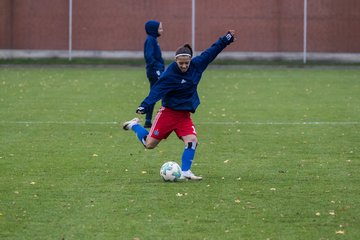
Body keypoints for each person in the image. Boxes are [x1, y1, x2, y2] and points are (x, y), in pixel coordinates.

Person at [123, 30, 236, 180]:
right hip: (168, 114)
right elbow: (157, 90)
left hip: (184, 116)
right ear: (176, 61)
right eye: (180, 63)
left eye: (186, 63)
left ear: (190, 60)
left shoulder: (197, 65)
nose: (183, 66)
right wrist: (144, 105)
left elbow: (212, 51)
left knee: (192, 141)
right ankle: (134, 125)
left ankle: (185, 172)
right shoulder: (170, 74)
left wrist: (226, 39)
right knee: (149, 144)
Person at [143, 20, 165, 128]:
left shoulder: (153, 40)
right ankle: (164, 119)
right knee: (164, 92)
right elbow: (149, 56)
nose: (162, 30)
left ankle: (148, 120)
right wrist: (157, 68)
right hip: (155, 71)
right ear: (153, 29)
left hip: (157, 70)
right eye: (160, 28)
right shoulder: (150, 40)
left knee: (154, 94)